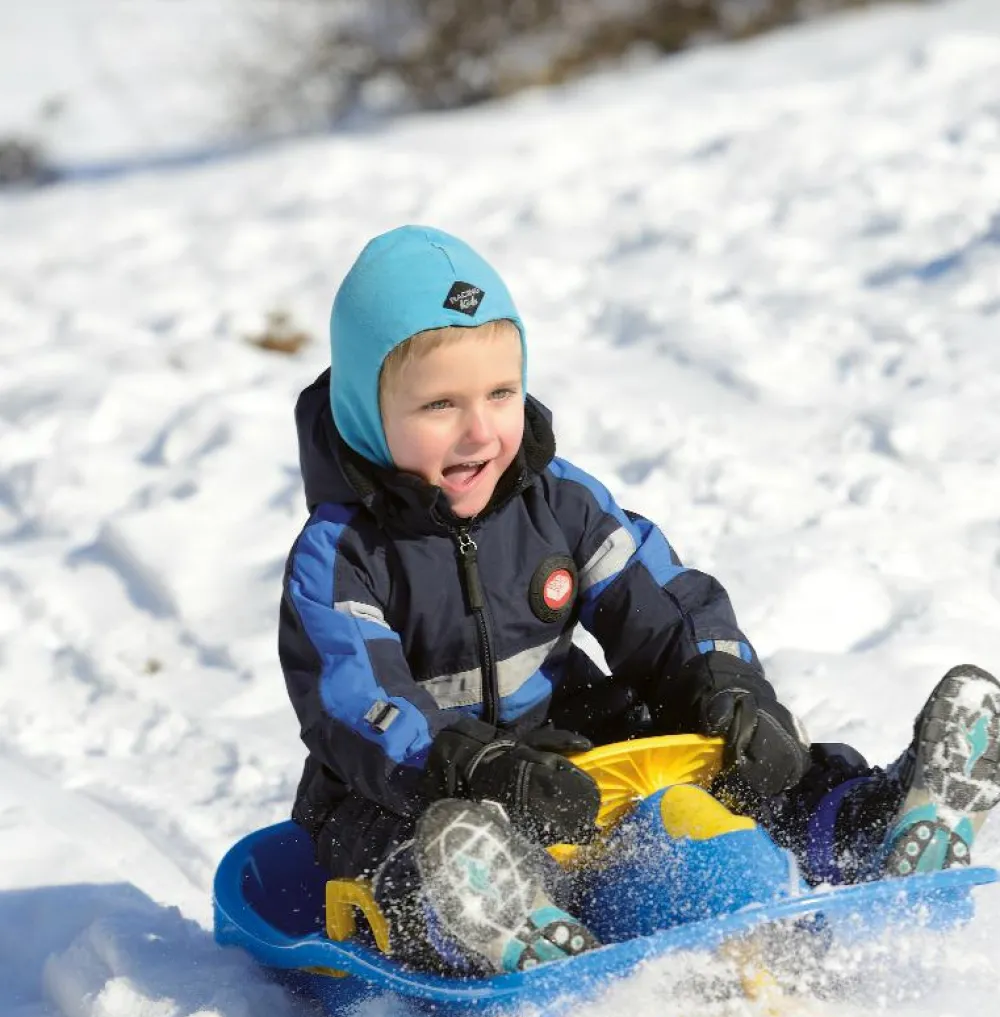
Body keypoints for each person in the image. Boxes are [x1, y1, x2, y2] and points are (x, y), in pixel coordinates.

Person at [279, 225, 1000, 974]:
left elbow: (663, 603)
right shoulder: (340, 556)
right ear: (366, 412)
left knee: (740, 753)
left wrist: (727, 684)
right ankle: (484, 917)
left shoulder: (559, 502)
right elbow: (358, 700)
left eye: (501, 393)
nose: (480, 430)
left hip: (566, 758)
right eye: (439, 406)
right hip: (411, 783)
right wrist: (473, 768)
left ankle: (868, 824)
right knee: (395, 843)